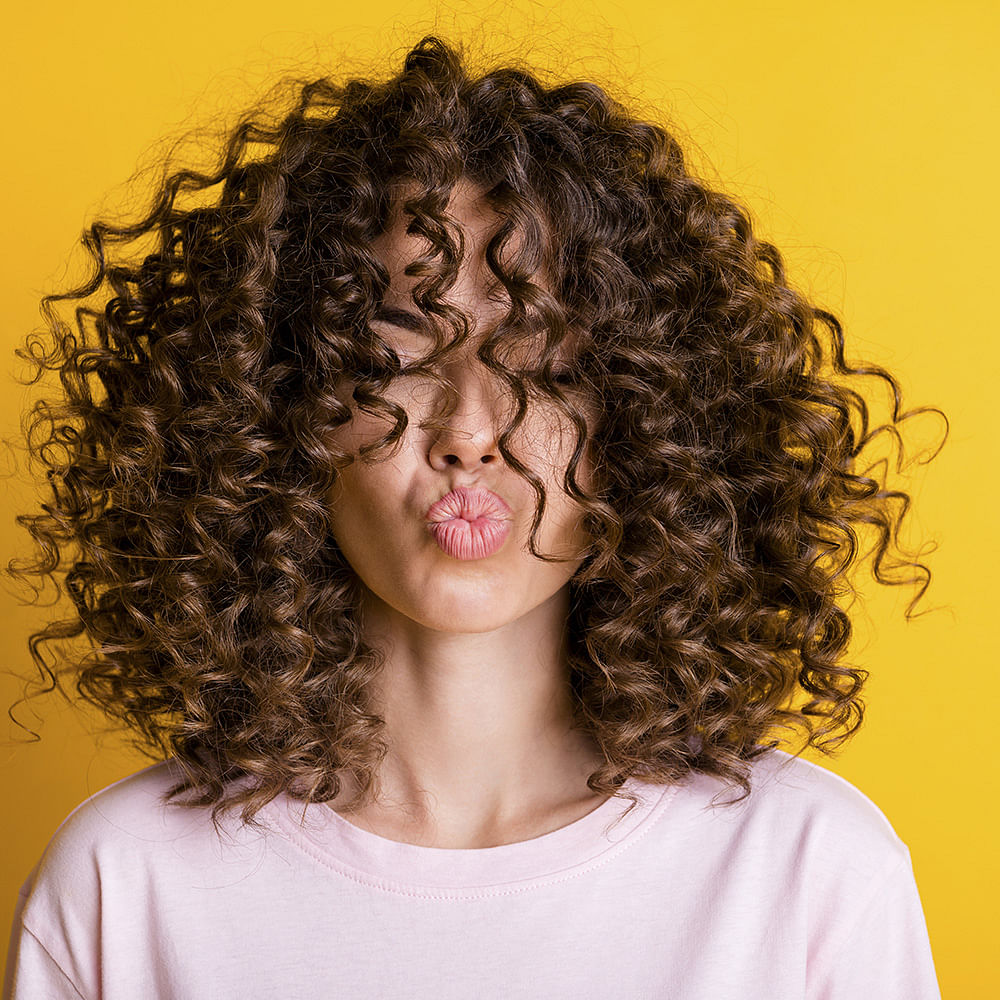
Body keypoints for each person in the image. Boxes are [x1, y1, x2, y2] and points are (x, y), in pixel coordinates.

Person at [2, 33, 944, 999]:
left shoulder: (806, 873)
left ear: (646, 420)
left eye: (540, 366)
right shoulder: (126, 885)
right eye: (401, 357)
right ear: (282, 412)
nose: (470, 434)